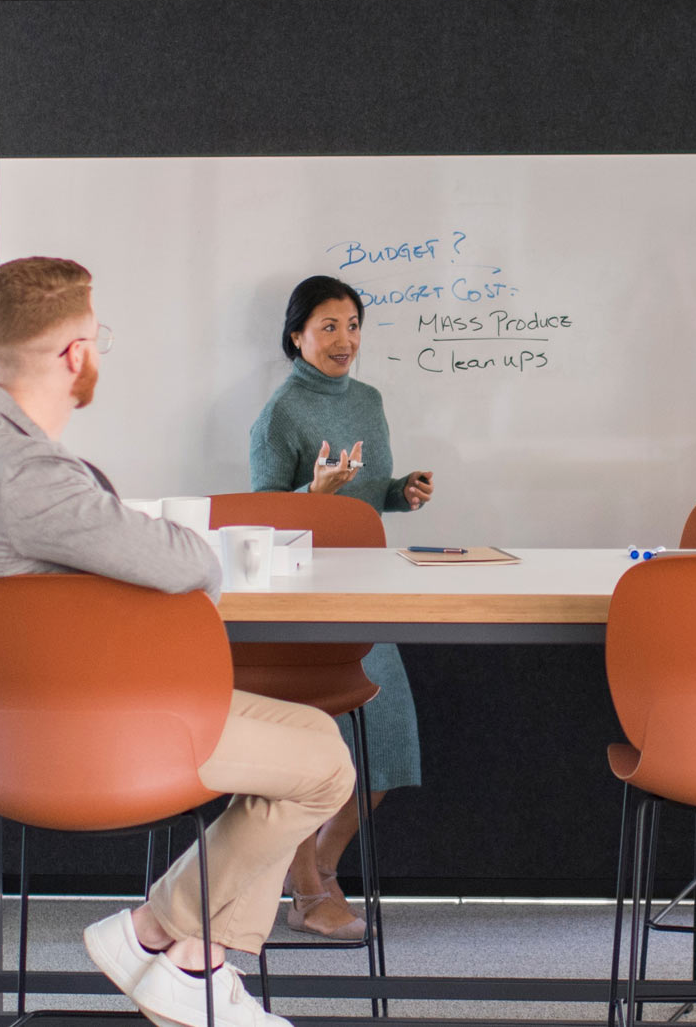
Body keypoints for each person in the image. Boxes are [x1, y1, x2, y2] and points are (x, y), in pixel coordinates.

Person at [0, 256, 356, 1027]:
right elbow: (188, 562)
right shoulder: (30, 472)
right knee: (323, 768)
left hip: (17, 721)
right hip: (81, 730)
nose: (98, 355)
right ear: (72, 355)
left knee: (312, 737)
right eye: (97, 338)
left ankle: (194, 961)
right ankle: (156, 934)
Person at [245, 274, 431, 940]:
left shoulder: (370, 399)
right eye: (329, 326)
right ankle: (305, 889)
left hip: (370, 585)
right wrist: (311, 492)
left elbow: (368, 489)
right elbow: (263, 515)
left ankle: (319, 869)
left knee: (385, 756)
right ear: (297, 336)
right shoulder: (281, 412)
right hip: (304, 597)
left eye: (353, 325)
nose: (345, 339)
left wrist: (398, 491)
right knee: (308, 760)